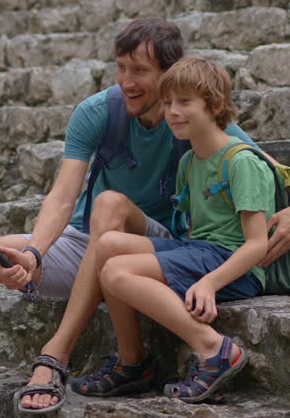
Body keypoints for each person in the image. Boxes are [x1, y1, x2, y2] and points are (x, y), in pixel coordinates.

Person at [0, 18, 290, 418]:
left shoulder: (191, 116)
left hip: (158, 241)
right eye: (121, 68)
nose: (127, 81)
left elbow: (275, 171)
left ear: (170, 75)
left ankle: (55, 355)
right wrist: (34, 253)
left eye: (140, 71)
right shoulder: (98, 112)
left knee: (111, 205)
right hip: (96, 241)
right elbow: (63, 197)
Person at [87, 56, 275, 404]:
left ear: (215, 106)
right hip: (200, 250)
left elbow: (256, 245)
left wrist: (208, 282)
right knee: (108, 244)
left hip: (234, 264)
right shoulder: (190, 160)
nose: (173, 111)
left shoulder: (242, 161)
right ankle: (132, 363)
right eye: (168, 102)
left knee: (115, 271)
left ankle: (214, 349)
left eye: (185, 102)